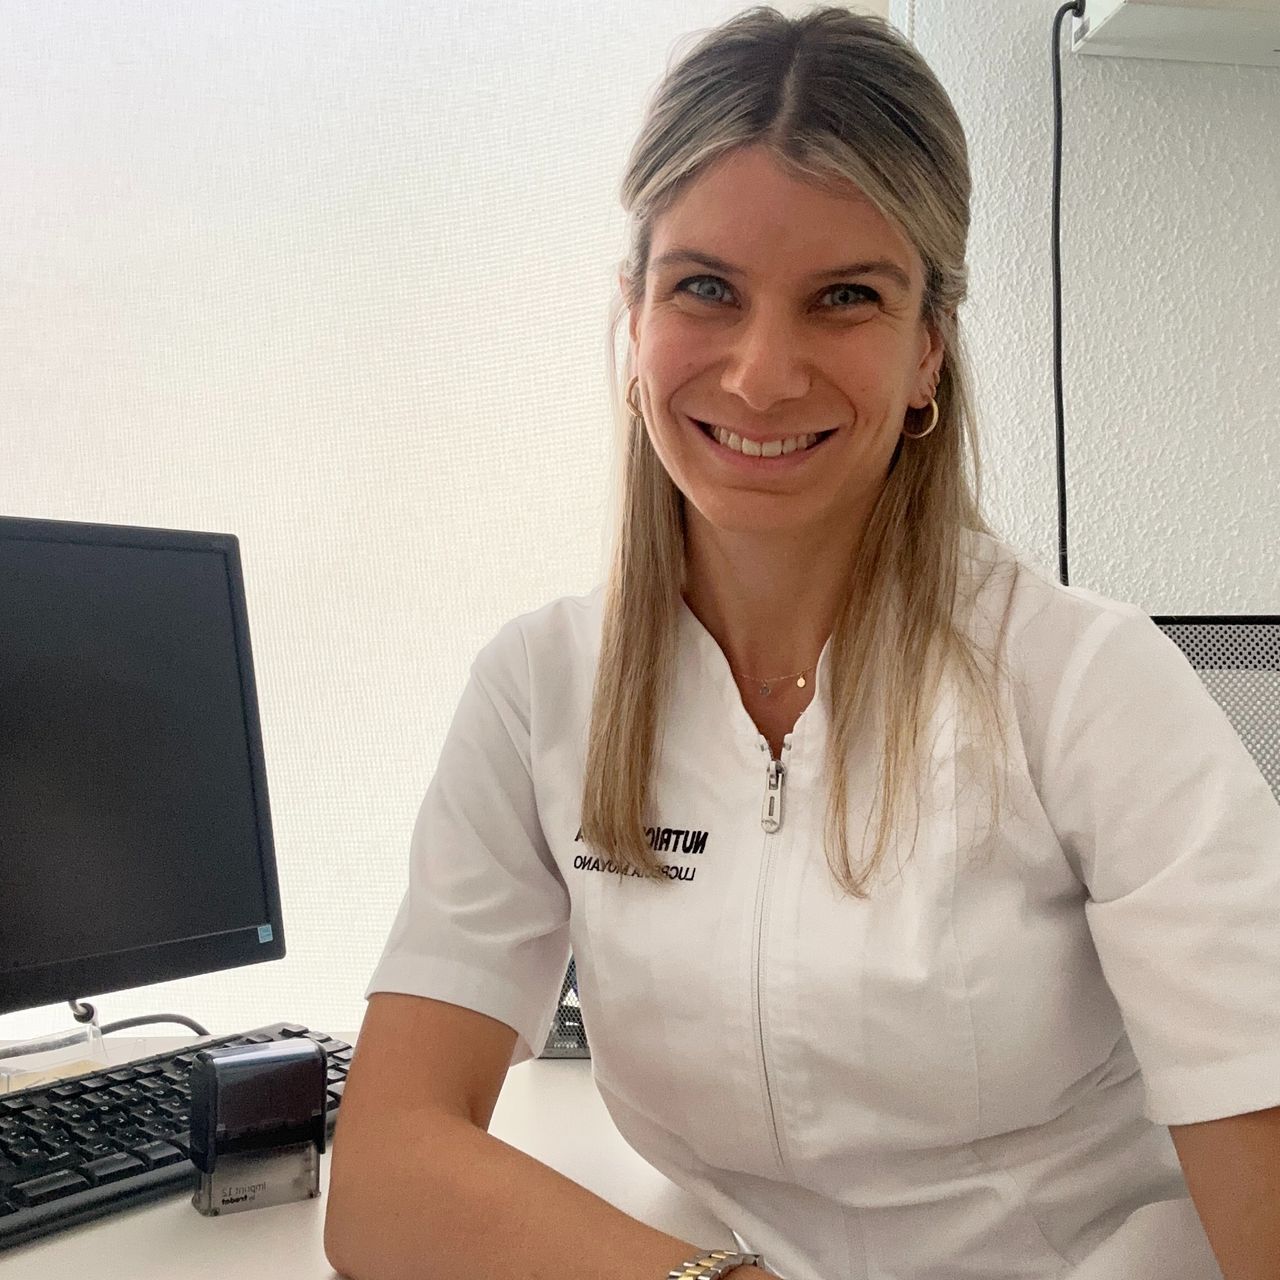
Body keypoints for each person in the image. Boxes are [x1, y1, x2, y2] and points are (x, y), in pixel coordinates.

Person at [323, 8, 1280, 1280]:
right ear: (632, 313)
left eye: (844, 298)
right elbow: (383, 1175)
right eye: (704, 288)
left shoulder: (1089, 687)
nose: (761, 374)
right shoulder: (541, 687)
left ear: (927, 348)